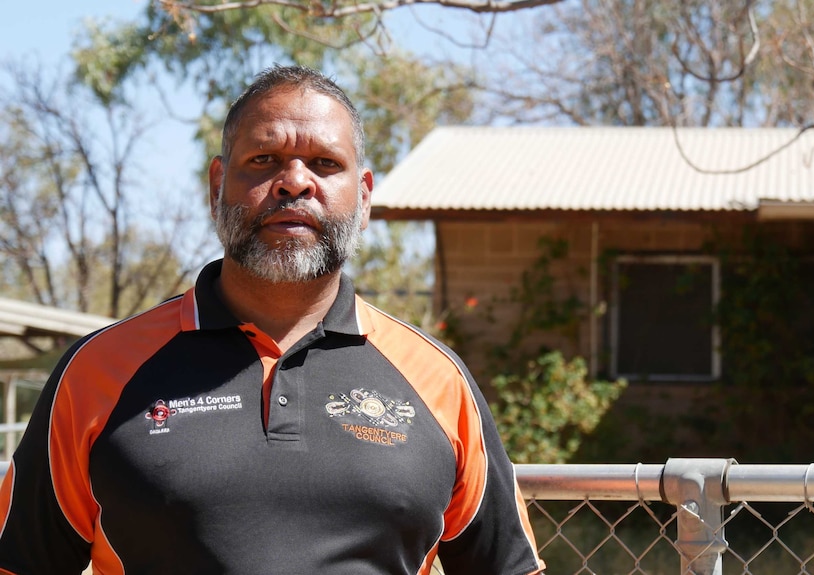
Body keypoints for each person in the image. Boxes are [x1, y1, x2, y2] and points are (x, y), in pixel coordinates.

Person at [0, 64, 545, 575]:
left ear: (365, 197)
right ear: (217, 186)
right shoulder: (97, 371)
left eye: (326, 164)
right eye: (263, 161)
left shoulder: (438, 380)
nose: (294, 183)